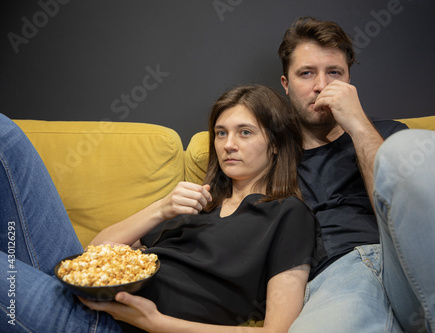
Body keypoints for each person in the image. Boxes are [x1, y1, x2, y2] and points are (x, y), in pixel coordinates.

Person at [0, 84, 324, 332]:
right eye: (221, 133)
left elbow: (278, 330)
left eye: (245, 133)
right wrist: (161, 208)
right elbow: (92, 255)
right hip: (86, 297)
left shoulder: (288, 215)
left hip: (115, 327)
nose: (228, 144)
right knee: (6, 135)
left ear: (276, 144)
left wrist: (157, 323)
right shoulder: (198, 205)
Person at [277, 17, 435, 332]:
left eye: (334, 72)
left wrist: (356, 123)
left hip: (411, 265)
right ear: (286, 84)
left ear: (349, 80)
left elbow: (396, 201)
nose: (321, 85)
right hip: (339, 277)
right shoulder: (272, 153)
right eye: (306, 73)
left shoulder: (388, 134)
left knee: (415, 147)